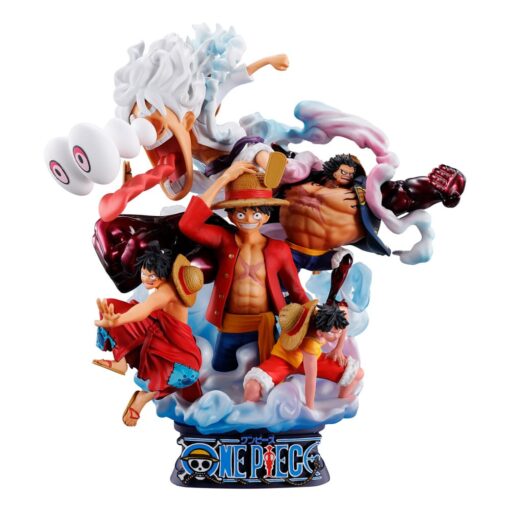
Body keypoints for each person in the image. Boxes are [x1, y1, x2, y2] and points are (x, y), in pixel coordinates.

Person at [178, 161, 309, 372]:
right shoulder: (224, 240)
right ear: (230, 215)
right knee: (220, 373)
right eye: (240, 213)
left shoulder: (278, 248)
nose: (248, 219)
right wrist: (224, 179)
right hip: (230, 327)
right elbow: (188, 224)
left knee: (267, 378)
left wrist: (315, 319)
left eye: (256, 214)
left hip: (264, 327)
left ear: (266, 215)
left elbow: (296, 290)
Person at [278, 153, 465, 271]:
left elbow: (401, 223)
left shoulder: (414, 208)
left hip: (351, 219)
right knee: (307, 164)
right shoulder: (330, 181)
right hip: (288, 210)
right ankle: (283, 163)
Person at [93, 245, 204, 426]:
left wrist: (119, 321)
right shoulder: (165, 287)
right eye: (144, 273)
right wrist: (119, 318)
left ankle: (142, 398)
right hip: (161, 334)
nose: (145, 279)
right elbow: (146, 311)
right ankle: (121, 361)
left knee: (171, 374)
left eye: (152, 276)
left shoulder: (166, 291)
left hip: (178, 348)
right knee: (113, 305)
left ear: (165, 275)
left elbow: (144, 309)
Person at [243, 300, 364, 409]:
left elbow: (344, 316)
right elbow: (311, 377)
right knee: (253, 387)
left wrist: (339, 348)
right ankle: (250, 413)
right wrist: (310, 408)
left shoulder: (326, 316)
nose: (337, 336)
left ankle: (341, 401)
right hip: (284, 360)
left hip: (312, 359)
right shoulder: (310, 344)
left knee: (356, 373)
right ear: (319, 333)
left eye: (339, 332)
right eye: (333, 333)